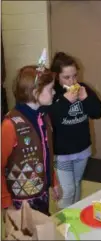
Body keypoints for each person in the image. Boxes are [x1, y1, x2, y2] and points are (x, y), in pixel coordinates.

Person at [1, 50, 61, 216]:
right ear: (35, 93)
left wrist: (53, 182)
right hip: (20, 201)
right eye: (50, 89)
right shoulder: (10, 125)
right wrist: (5, 201)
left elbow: (46, 154)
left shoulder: (44, 117)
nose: (54, 92)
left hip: (41, 192)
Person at [48, 52, 101, 208]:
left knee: (77, 183)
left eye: (74, 76)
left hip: (82, 148)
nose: (72, 81)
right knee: (68, 190)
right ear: (56, 76)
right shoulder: (51, 92)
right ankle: (63, 225)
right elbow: (49, 118)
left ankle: (75, 218)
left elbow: (98, 112)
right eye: (66, 77)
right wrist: (66, 101)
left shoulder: (82, 88)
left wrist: (86, 98)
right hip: (62, 153)